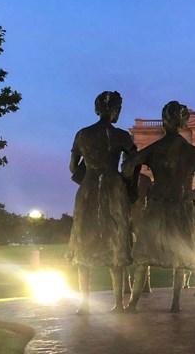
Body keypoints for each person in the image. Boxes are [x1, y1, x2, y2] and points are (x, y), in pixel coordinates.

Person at [122, 101, 195, 313]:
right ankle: (175, 304)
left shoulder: (155, 148)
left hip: (157, 206)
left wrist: (133, 187)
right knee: (179, 258)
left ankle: (133, 303)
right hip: (181, 207)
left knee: (144, 256)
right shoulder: (193, 152)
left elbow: (128, 165)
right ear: (184, 122)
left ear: (164, 122)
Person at [66, 91, 135, 314]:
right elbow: (132, 165)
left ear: (97, 109)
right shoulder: (122, 136)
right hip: (113, 187)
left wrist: (85, 180)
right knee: (116, 237)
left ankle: (84, 304)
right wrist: (126, 184)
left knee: (84, 237)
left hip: (88, 187)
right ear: (115, 110)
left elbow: (73, 167)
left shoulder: (82, 134)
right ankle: (118, 303)